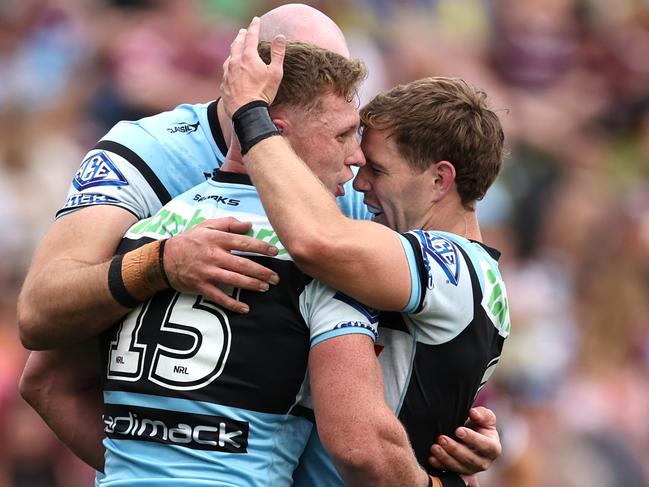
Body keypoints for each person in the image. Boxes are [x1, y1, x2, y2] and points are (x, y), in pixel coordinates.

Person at [18, 3, 500, 482]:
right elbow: (40, 331)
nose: (356, 167)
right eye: (343, 135)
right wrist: (160, 264)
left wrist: (448, 418)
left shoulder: (346, 191)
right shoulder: (146, 157)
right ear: (260, 90)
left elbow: (423, 329)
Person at [219, 19, 511, 486]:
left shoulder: (453, 265)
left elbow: (318, 241)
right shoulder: (459, 274)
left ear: (440, 180)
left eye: (378, 169)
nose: (360, 182)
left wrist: (251, 115)